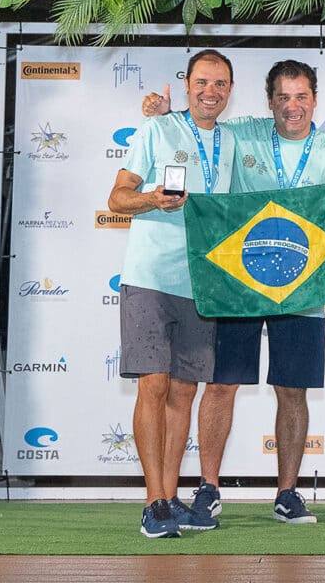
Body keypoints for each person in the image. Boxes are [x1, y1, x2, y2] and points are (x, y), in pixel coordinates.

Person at [141, 59, 325, 524]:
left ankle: (288, 493)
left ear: (315, 99)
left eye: (301, 97)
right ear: (269, 101)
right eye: (282, 97)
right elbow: (200, 123)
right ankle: (208, 488)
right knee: (221, 384)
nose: (292, 107)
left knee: (292, 389)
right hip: (237, 281)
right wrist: (162, 115)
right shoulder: (244, 133)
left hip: (302, 284)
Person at [107, 49, 236, 539]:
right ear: (186, 85)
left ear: (229, 90)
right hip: (150, 277)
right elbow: (116, 198)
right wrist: (151, 199)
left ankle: (172, 496)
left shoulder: (234, 139)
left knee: (184, 390)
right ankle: (152, 501)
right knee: (154, 385)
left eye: (220, 84)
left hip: (201, 282)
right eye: (202, 82)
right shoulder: (156, 131)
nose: (211, 91)